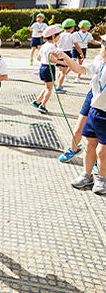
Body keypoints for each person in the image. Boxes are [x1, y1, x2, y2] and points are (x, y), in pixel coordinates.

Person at [59, 34, 106, 195]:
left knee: (102, 150)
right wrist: (65, 56)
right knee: (89, 144)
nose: (101, 48)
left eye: (103, 45)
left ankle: (102, 178)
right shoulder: (100, 61)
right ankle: (87, 175)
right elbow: (80, 69)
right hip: (95, 110)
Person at [31, 25, 62, 114]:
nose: (59, 36)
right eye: (58, 35)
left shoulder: (44, 45)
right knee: (49, 89)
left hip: (42, 67)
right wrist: (61, 62)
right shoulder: (52, 46)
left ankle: (37, 102)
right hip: (49, 68)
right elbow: (51, 59)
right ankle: (43, 105)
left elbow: (38, 57)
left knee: (47, 87)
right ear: (53, 36)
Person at [55, 18, 76, 91]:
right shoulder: (72, 35)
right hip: (66, 54)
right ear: (72, 27)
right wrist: (81, 53)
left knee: (60, 71)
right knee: (63, 72)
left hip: (59, 53)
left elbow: (55, 44)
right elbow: (76, 45)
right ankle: (58, 87)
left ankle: (57, 84)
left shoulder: (59, 35)